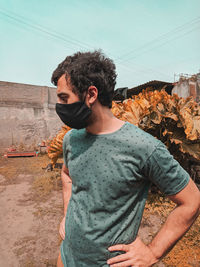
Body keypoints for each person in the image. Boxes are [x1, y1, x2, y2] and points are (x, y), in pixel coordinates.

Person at [51, 50, 200, 267]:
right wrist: (67, 215)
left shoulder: (143, 147)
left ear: (91, 95)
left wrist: (153, 253)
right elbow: (67, 175)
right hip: (66, 258)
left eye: (64, 98)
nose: (59, 106)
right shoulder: (71, 139)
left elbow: (192, 201)